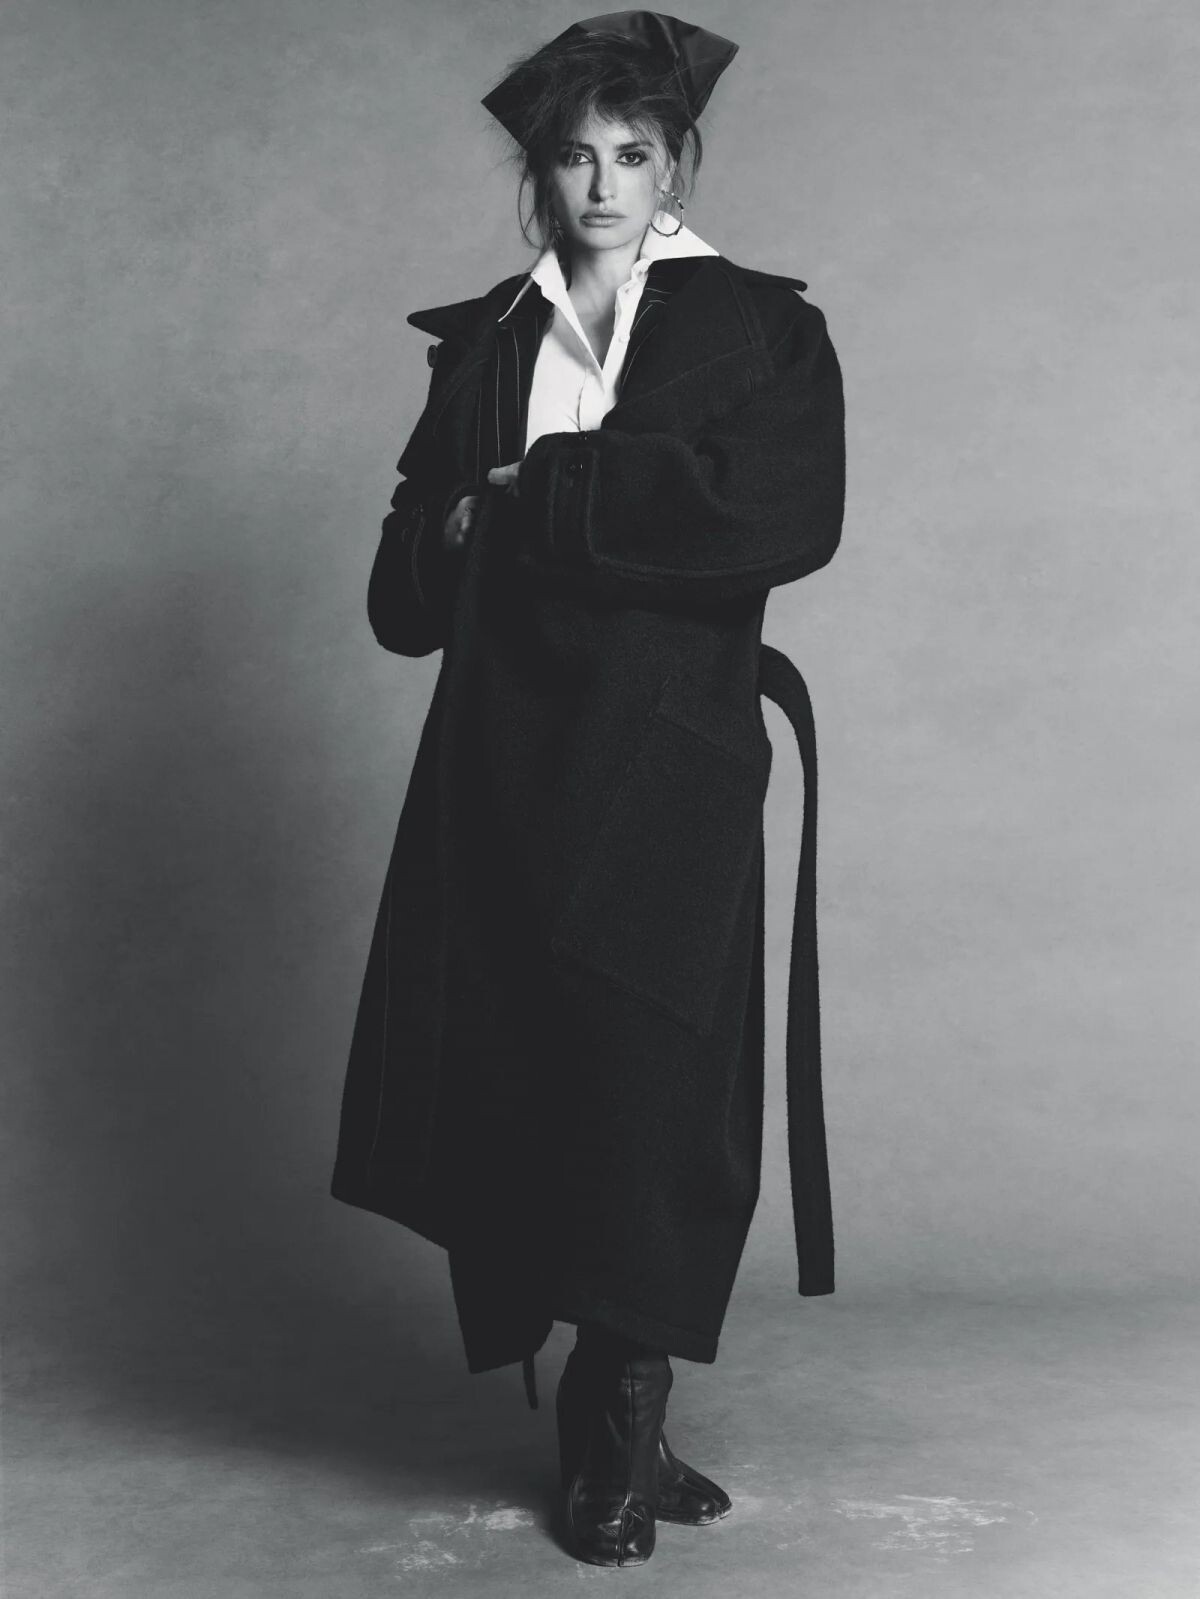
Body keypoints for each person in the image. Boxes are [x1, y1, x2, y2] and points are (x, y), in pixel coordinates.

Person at [330, 9, 846, 1568]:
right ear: (539, 178)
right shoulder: (492, 338)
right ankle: (609, 1418)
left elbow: (781, 518)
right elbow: (402, 600)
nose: (604, 184)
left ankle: (621, 1412)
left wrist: (538, 494)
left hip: (670, 766)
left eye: (634, 152)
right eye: (575, 156)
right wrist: (454, 530)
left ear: (679, 163)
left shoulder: (762, 330)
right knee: (526, 1084)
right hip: (504, 770)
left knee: (653, 1099)